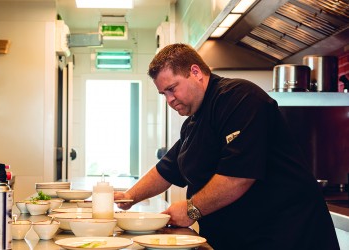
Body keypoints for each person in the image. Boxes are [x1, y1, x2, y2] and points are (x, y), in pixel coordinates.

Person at [114, 43, 339, 249]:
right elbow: (167, 169)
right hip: (239, 240)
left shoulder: (241, 98)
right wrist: (128, 197)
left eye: (172, 88)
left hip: (287, 236)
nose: (169, 99)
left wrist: (191, 209)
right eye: (164, 93)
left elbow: (239, 176)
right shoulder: (193, 122)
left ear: (195, 72)